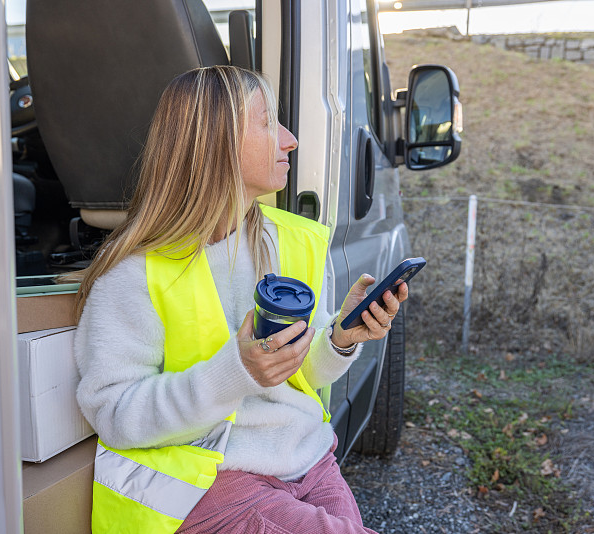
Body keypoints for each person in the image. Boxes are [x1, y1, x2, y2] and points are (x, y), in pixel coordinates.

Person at [73, 65, 407, 534]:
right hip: (212, 478)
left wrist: (339, 339)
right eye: (268, 121)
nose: (290, 139)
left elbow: (298, 374)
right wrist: (237, 372)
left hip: (310, 457)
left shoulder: (292, 242)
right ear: (214, 143)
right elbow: (115, 415)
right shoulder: (131, 276)